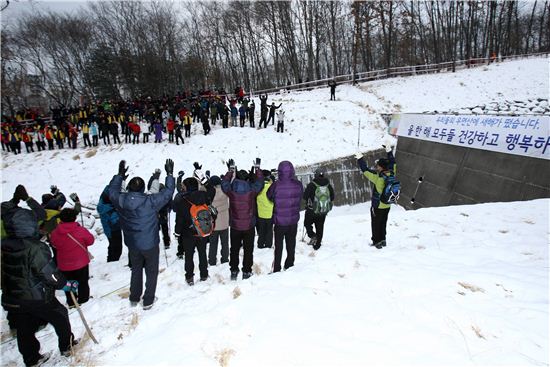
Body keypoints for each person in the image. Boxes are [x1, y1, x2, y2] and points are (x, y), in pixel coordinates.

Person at [1, 185, 78, 366]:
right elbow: (49, 274)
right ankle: (67, 346)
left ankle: (31, 359)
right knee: (60, 315)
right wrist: (65, 285)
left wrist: (16, 199)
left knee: (24, 328)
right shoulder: (36, 248)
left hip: (13, 295)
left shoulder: (4, 243)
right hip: (36, 296)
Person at [108, 159, 175, 310]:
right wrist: (170, 174)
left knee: (136, 269)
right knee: (151, 271)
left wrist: (119, 176)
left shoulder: (121, 199)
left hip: (132, 242)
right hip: (150, 242)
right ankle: (148, 300)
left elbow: (111, 191)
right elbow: (168, 193)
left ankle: (134, 297)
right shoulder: (150, 201)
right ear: (144, 188)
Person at [172, 164, 215, 285]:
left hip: (187, 234)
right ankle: (204, 275)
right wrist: (203, 179)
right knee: (202, 253)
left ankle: (189, 277)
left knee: (189, 256)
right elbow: (212, 190)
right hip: (202, 231)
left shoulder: (182, 201)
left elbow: (179, 220)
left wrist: (177, 233)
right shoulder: (204, 196)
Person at [221, 158, 264, 280]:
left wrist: (230, 171)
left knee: (234, 249)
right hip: (249, 226)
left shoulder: (231, 191)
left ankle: (234, 270)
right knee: (248, 250)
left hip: (235, 226)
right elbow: (260, 183)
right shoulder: (251, 191)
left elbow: (224, 184)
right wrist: (257, 169)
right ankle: (246, 271)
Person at [50, 208, 95, 308]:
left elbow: (54, 244)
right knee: (83, 282)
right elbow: (91, 241)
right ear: (74, 218)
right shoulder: (80, 230)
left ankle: (72, 301)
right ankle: (84, 300)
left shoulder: (55, 232)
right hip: (80, 262)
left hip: (64, 264)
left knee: (69, 283)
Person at [355, 145, 396, 249]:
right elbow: (393, 162)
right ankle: (383, 240)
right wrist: (388, 151)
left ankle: (376, 242)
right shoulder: (392, 173)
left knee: (375, 223)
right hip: (387, 204)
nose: (376, 167)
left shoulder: (377, 178)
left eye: (378, 166)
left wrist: (360, 158)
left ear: (381, 167)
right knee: (383, 223)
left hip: (377, 206)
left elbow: (365, 170)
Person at [267, 161, 303, 272]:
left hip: (280, 222)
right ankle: (289, 265)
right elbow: (301, 196)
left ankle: (277, 268)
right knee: (291, 244)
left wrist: (276, 200)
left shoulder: (276, 185)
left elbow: (269, 196)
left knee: (278, 247)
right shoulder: (298, 184)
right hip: (293, 221)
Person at [303, 168, 335, 250]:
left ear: (315, 175)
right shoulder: (328, 185)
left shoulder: (311, 184)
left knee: (307, 223)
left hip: (311, 210)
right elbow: (332, 197)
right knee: (320, 227)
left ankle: (312, 235)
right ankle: (317, 245)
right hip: (323, 210)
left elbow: (305, 196)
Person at [97, 186, 123, 262]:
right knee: (116, 248)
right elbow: (116, 220)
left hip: (109, 229)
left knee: (112, 246)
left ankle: (111, 261)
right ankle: (112, 262)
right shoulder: (109, 209)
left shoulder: (104, 201)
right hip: (113, 230)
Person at [148, 170, 172, 249]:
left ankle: (154, 243)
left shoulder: (155, 197)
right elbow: (169, 202)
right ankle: (167, 243)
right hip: (163, 214)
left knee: (155, 230)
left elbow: (150, 187)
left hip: (155, 215)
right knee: (165, 229)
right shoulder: (164, 197)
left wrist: (153, 178)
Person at [208, 175, 229, 265]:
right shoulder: (225, 192)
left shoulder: (209, 193)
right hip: (224, 223)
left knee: (213, 244)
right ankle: (224, 259)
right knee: (225, 243)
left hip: (214, 224)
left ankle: (212, 260)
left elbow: (199, 186)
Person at [256, 170, 274, 248]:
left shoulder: (259, 188)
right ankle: (268, 244)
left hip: (260, 213)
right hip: (270, 213)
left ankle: (260, 243)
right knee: (269, 230)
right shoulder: (271, 187)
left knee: (261, 230)